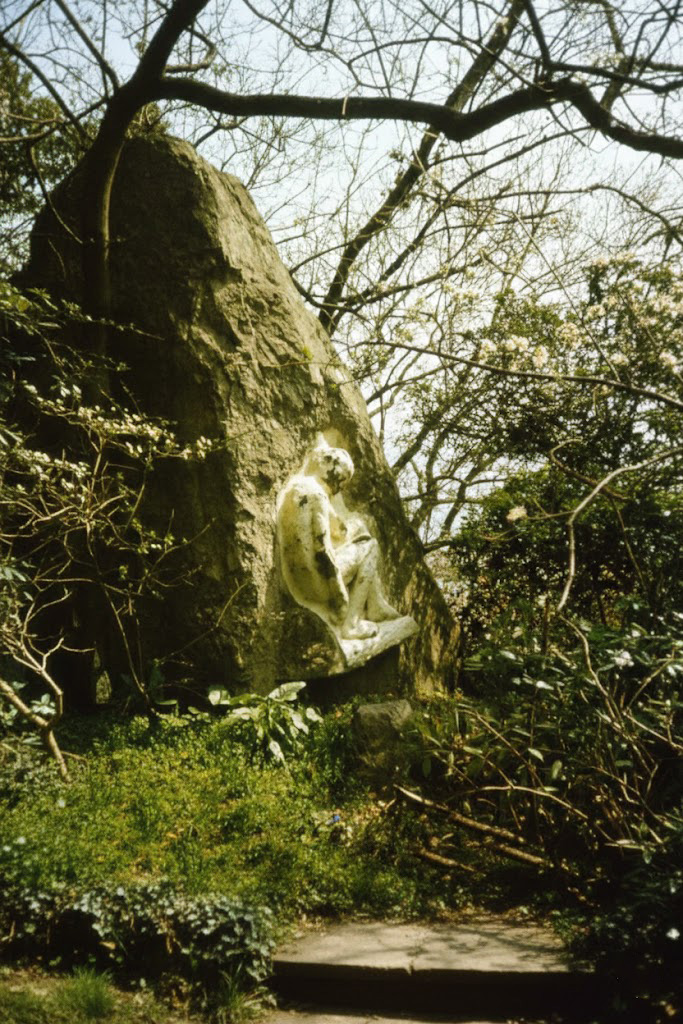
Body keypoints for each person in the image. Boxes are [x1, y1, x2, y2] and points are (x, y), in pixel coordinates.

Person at [277, 440, 401, 640]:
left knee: (359, 530)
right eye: (339, 482)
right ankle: (352, 624)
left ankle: (376, 603)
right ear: (328, 468)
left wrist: (340, 524)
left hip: (299, 575)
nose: (337, 489)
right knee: (370, 546)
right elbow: (322, 550)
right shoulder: (318, 495)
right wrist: (339, 597)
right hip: (316, 582)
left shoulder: (300, 487)